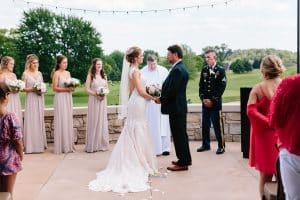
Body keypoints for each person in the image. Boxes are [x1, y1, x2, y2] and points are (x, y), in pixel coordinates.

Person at [89, 47, 157, 193]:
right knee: (137, 129)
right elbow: (140, 91)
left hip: (136, 102)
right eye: (141, 55)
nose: (142, 57)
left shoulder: (131, 70)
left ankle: (137, 159)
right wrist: (154, 97)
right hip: (138, 102)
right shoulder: (136, 71)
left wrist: (149, 92)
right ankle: (137, 162)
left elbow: (134, 90)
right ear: (135, 58)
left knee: (133, 130)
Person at [247, 55, 285, 198]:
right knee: (283, 175)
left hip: (264, 137)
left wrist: (269, 121)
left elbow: (250, 111)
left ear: (263, 70)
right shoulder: (284, 86)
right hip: (282, 135)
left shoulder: (258, 88)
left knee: (265, 176)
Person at [156, 44, 192, 171]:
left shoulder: (177, 70)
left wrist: (161, 99)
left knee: (179, 135)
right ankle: (184, 159)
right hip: (178, 107)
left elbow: (173, 90)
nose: (167, 56)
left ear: (175, 54)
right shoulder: (179, 67)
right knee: (180, 134)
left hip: (176, 108)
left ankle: (183, 162)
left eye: (169, 54)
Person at [270, 74, 300, 200]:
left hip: (291, 149)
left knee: (293, 197)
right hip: (291, 149)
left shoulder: (289, 83)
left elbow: (274, 119)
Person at [141, 54, 171, 156]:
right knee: (152, 124)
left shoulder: (163, 70)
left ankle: (165, 147)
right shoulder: (142, 71)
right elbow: (141, 87)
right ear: (147, 63)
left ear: (157, 61)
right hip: (149, 103)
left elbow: (168, 85)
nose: (153, 66)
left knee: (164, 125)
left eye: (154, 63)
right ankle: (153, 148)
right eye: (150, 64)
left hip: (161, 101)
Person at [197, 49, 227, 154]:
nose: (206, 59)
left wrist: (212, 100)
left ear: (214, 58)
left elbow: (222, 87)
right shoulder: (204, 69)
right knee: (205, 125)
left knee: (217, 125)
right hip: (205, 103)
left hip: (215, 104)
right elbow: (201, 85)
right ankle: (206, 145)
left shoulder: (221, 70)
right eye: (206, 57)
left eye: (208, 57)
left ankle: (221, 146)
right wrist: (203, 98)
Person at [0, 82, 23, 195]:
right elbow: (17, 140)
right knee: (7, 194)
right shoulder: (10, 117)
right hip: (7, 160)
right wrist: (21, 154)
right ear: (5, 96)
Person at [22, 54, 47, 153]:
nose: (36, 64)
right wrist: (33, 89)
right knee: (31, 120)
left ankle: (39, 144)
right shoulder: (25, 74)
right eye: (34, 63)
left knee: (39, 119)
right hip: (31, 99)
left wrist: (42, 90)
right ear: (29, 64)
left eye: (37, 62)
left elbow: (43, 85)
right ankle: (31, 146)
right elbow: (22, 89)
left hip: (39, 98)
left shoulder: (40, 73)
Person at [52, 55, 75, 154]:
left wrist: (72, 88)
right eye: (64, 62)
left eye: (67, 62)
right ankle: (61, 146)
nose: (66, 64)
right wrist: (67, 89)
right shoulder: (56, 74)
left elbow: (70, 85)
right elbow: (54, 88)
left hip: (68, 98)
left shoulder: (68, 73)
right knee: (61, 119)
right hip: (60, 98)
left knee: (67, 118)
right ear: (59, 63)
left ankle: (68, 145)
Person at [85, 58, 109, 153]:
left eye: (101, 64)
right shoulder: (90, 76)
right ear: (94, 65)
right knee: (94, 121)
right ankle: (92, 145)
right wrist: (96, 94)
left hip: (102, 101)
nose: (99, 66)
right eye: (98, 64)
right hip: (94, 100)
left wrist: (104, 94)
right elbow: (86, 89)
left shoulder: (104, 76)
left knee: (102, 121)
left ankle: (101, 144)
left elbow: (107, 88)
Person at [0, 56, 23, 131]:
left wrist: (18, 88)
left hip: (15, 99)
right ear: (6, 64)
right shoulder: (1, 75)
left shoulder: (14, 75)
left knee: (16, 117)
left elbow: (16, 87)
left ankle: (16, 137)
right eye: (11, 64)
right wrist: (10, 90)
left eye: (13, 64)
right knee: (7, 119)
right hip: (6, 100)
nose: (13, 66)